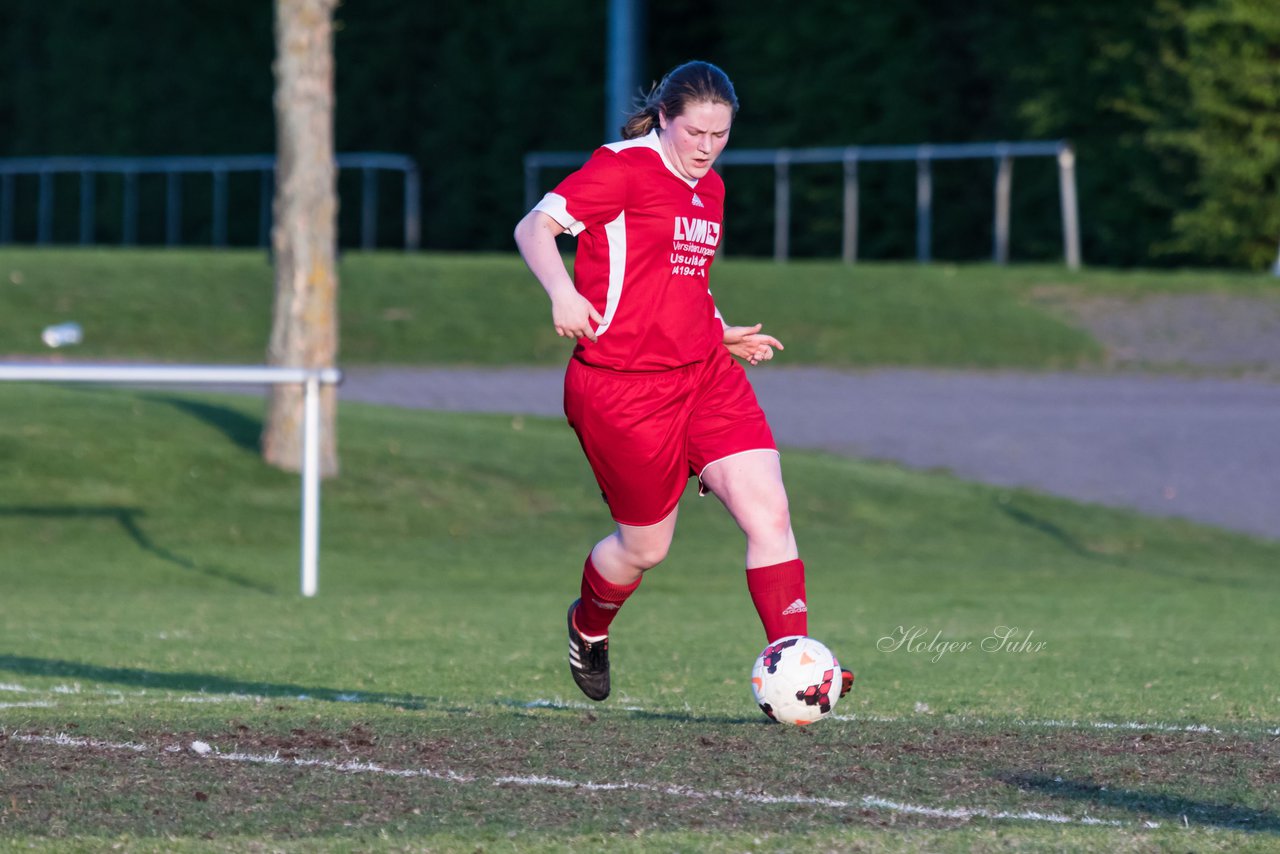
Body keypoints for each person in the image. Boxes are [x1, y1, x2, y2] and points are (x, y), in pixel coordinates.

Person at [513, 60, 852, 703]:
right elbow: (534, 227)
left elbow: (681, 281)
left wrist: (719, 329)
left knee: (770, 512)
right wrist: (560, 290)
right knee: (645, 549)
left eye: (720, 135)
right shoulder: (622, 167)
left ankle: (798, 668)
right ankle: (589, 626)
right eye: (694, 132)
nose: (706, 148)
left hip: (704, 374)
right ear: (665, 118)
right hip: (622, 390)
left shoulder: (711, 188)